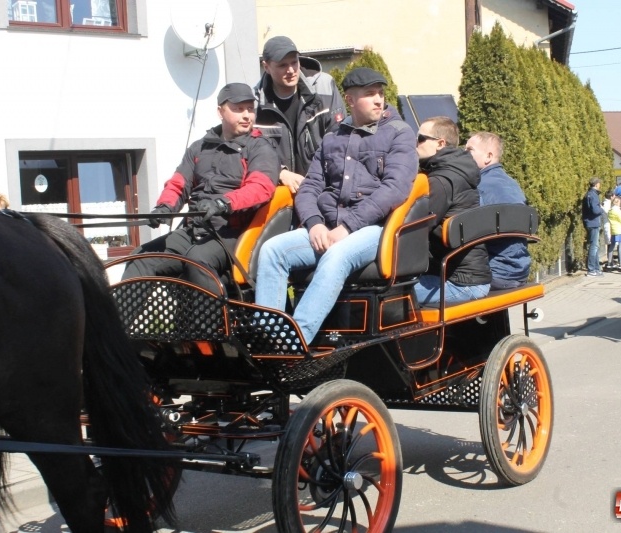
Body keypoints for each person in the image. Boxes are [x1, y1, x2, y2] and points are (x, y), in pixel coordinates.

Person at [254, 68, 417, 345]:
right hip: (328, 226)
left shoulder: (399, 133)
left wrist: (348, 226)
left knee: (336, 257)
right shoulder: (332, 137)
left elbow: (395, 189)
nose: (379, 100)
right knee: (273, 251)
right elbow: (310, 186)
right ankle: (269, 340)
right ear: (349, 100)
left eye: (380, 93)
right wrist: (314, 223)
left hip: (375, 229)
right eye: (369, 94)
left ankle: (294, 342)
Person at [121, 83, 279, 293]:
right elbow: (178, 184)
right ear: (220, 111)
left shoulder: (260, 148)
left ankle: (206, 326)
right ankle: (117, 325)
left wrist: (224, 202)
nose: (246, 115)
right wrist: (164, 208)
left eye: (250, 109)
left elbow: (261, 188)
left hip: (233, 232)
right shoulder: (199, 147)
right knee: (141, 258)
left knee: (197, 260)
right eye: (238, 109)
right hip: (195, 229)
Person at [415, 117, 491, 305]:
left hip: (461, 282)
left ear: (441, 143)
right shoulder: (454, 172)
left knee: (389, 297)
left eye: (420, 138)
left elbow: (415, 227)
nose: (415, 143)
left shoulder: (442, 180)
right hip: (464, 276)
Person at [254, 36, 345, 194]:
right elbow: (250, 153)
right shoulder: (254, 104)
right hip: (280, 193)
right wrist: (280, 172)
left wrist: (315, 184)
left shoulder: (324, 87)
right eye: (282, 65)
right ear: (266, 67)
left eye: (294, 62)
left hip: (324, 189)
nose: (290, 70)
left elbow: (341, 141)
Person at [465, 131, 531, 289]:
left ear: (488, 156)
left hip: (493, 273)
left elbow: (465, 233)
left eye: (469, 150)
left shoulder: (479, 187)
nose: (463, 153)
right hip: (519, 271)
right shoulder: (513, 185)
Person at [582, 177, 604, 276]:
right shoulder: (592, 195)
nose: (600, 185)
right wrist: (602, 209)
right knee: (594, 247)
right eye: (599, 184)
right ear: (596, 184)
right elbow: (595, 210)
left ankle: (596, 268)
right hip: (593, 223)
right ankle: (591, 269)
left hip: (591, 223)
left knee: (595, 246)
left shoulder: (590, 194)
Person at [607, 196, 621, 267]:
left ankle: (609, 261)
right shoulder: (617, 211)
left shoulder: (610, 211)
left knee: (612, 246)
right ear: (618, 202)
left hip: (613, 230)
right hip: (620, 230)